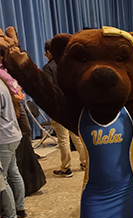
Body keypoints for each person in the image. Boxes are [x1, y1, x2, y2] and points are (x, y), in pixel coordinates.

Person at [0, 55, 46, 196]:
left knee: (6, 175)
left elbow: (14, 84)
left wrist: (19, 92)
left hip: (11, 121)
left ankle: (13, 212)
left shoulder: (6, 69)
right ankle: (18, 208)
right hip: (10, 118)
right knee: (11, 171)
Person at [42, 40, 86, 177]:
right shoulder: (69, 65)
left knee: (63, 139)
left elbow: (48, 89)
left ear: (49, 52)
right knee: (77, 136)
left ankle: (66, 168)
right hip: (73, 106)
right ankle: (85, 162)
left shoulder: (48, 68)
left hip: (59, 108)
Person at [0, 77, 26, 218]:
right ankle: (20, 208)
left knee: (1, 179)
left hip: (4, 138)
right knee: (13, 171)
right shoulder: (2, 81)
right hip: (12, 135)